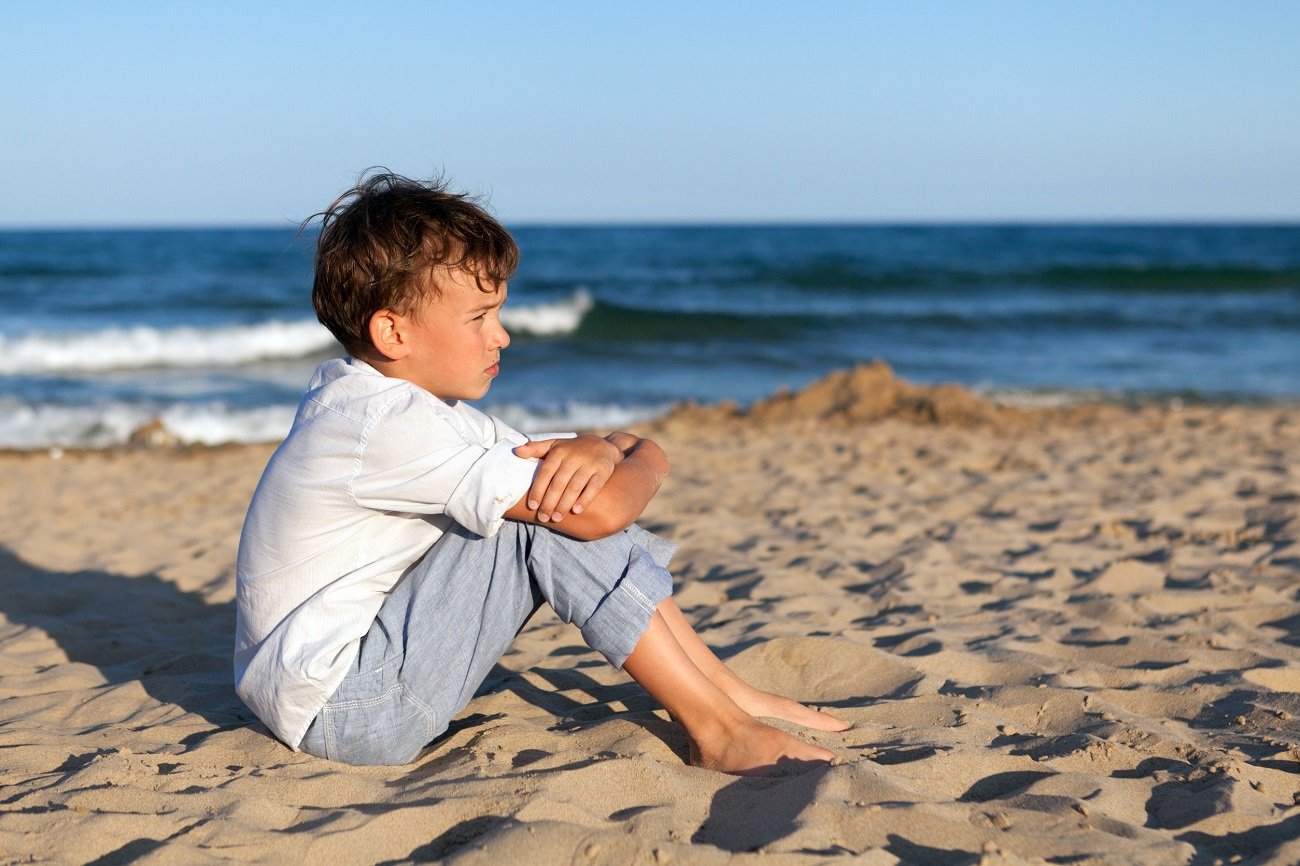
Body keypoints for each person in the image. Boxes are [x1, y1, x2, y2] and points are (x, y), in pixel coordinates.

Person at [234, 171, 847, 775]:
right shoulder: (382, 424)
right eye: (478, 318)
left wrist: (607, 451)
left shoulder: (408, 408)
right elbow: (600, 508)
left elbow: (579, 466)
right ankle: (718, 729)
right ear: (392, 330)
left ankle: (722, 691)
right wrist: (643, 457)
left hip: (341, 687)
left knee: (553, 493)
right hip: (347, 709)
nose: (501, 335)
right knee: (548, 517)